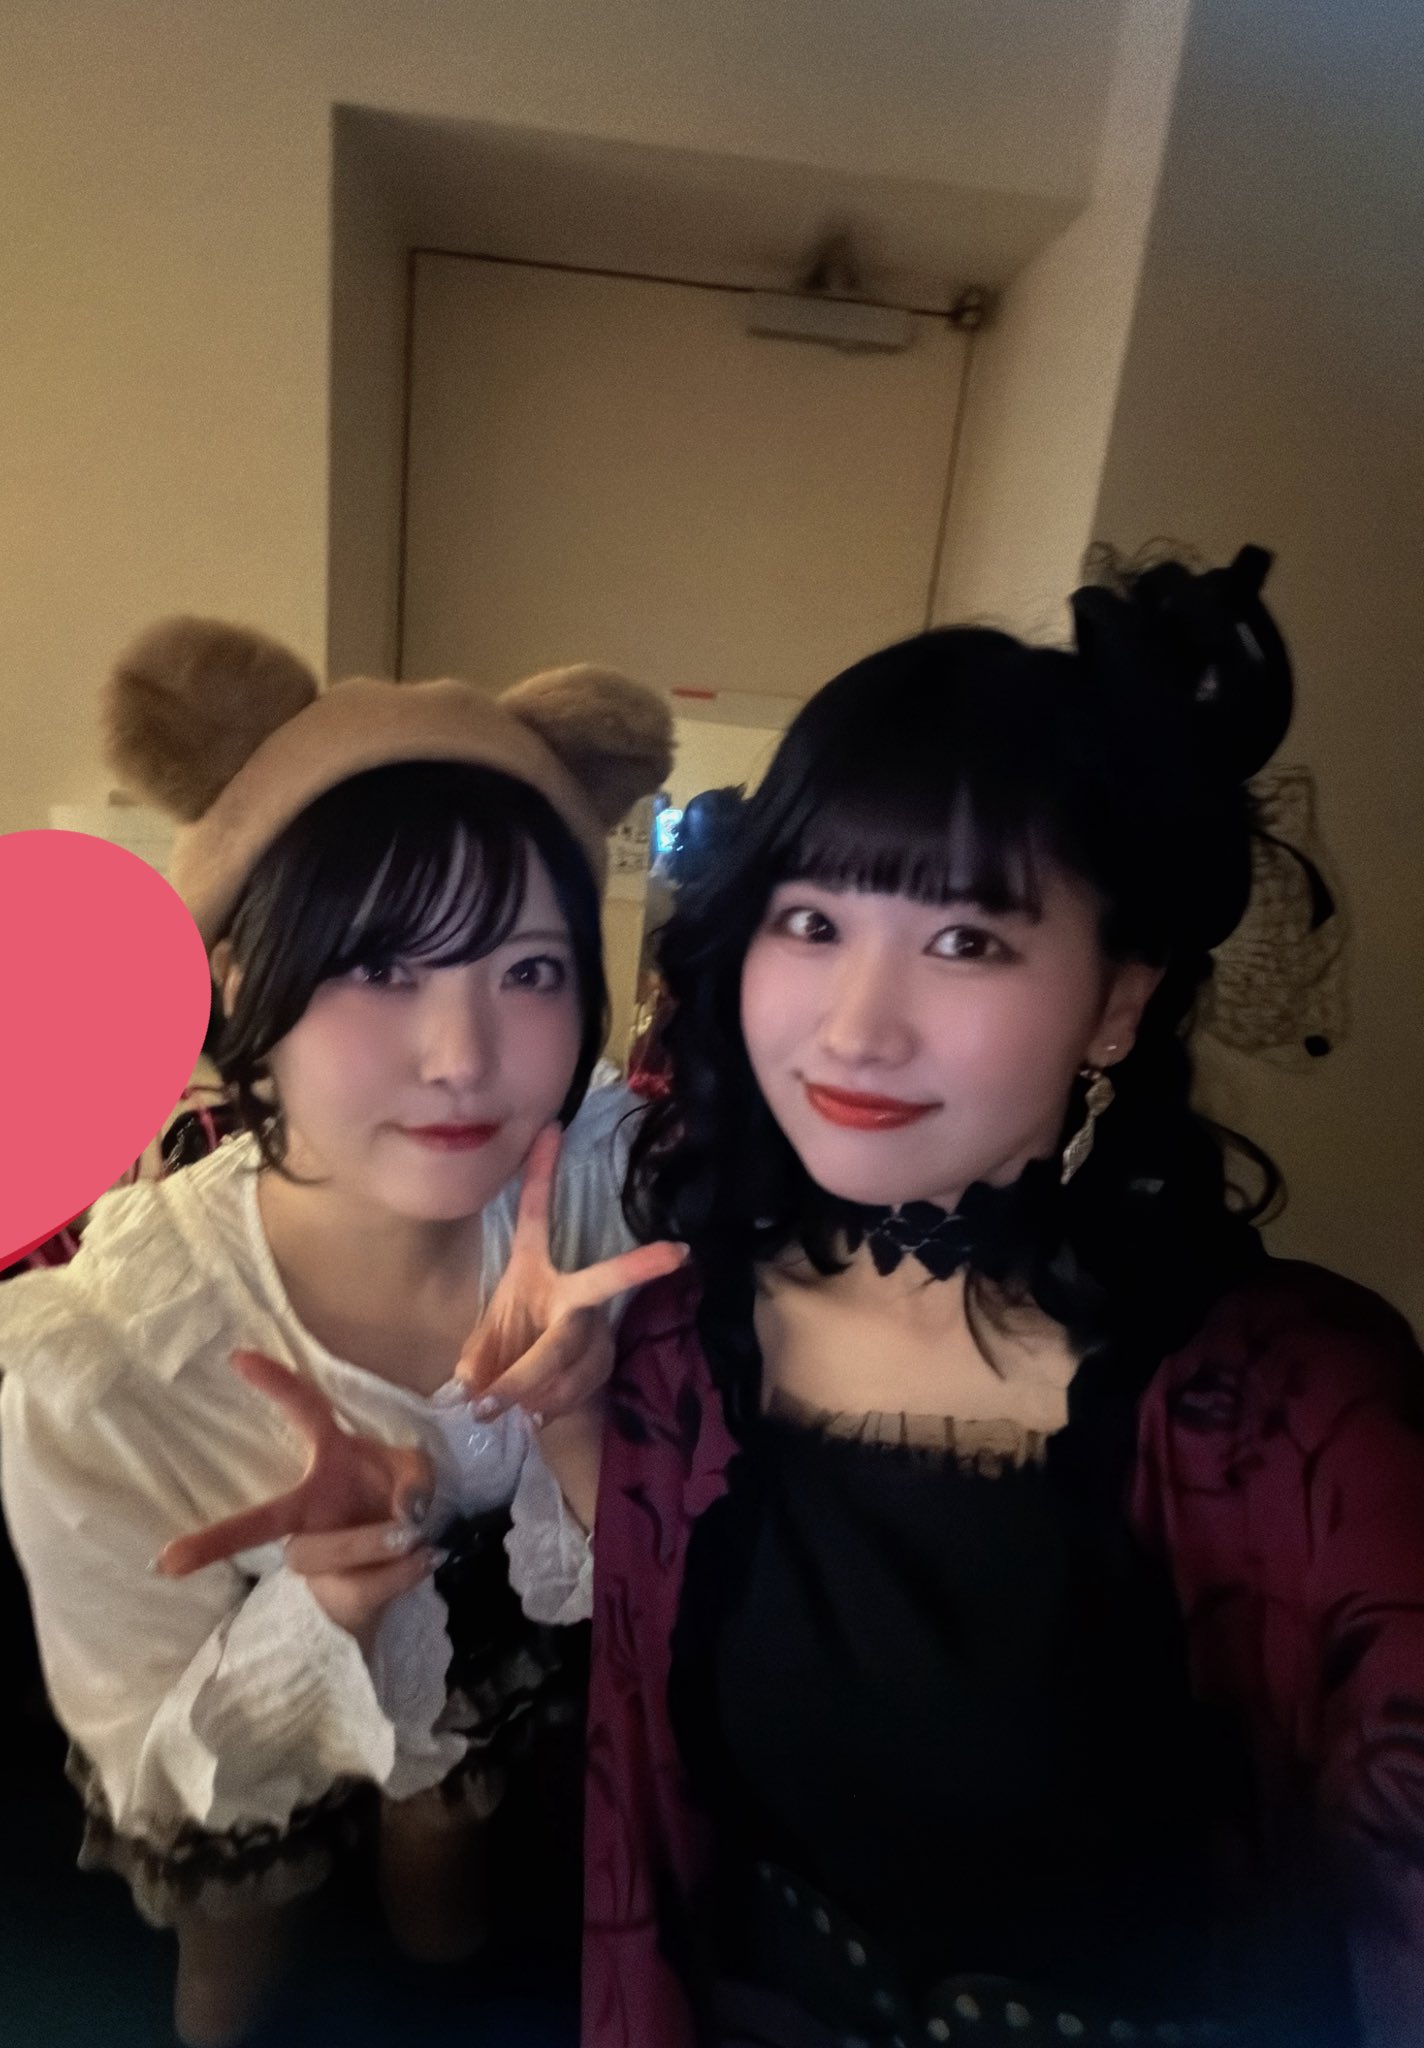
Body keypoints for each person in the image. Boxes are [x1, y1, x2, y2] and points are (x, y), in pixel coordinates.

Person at [585, 549, 1424, 2048]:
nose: (856, 1028)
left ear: (1118, 1001)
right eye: (811, 921)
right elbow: (643, 1834)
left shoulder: (1300, 1417)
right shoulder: (676, 1343)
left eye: (967, 941)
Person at [0, 617, 680, 2045]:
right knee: (232, 1984)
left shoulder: (593, 1204)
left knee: (445, 1918)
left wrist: (575, 1417)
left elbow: (662, 1604)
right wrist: (316, 1607)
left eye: (530, 970)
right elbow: (152, 1753)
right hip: (234, 1707)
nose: (464, 1058)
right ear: (242, 980)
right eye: (377, 967)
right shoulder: (120, 1357)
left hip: (480, 1662)